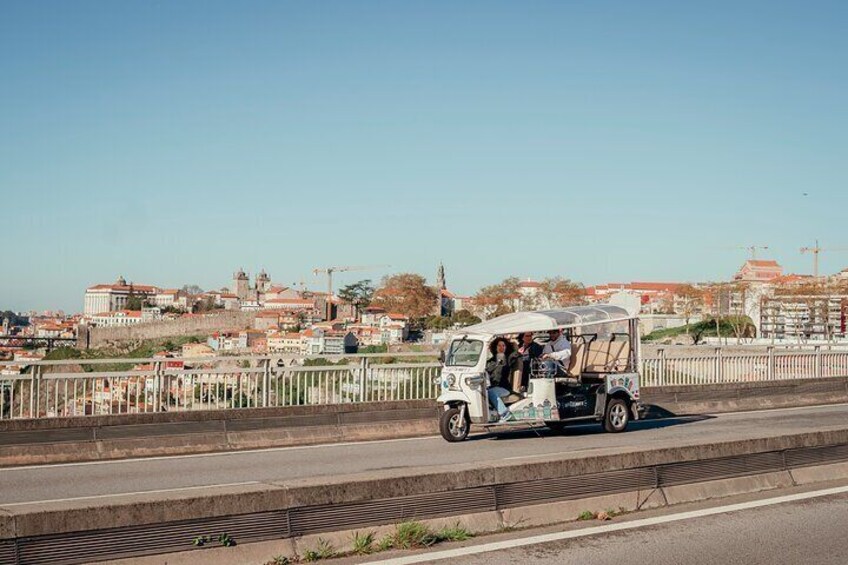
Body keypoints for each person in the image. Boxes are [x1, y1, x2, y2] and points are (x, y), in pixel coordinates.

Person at [486, 337, 516, 422]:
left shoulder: (509, 358)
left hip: (504, 387)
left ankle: (505, 414)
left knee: (491, 392)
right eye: (499, 345)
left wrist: (514, 347)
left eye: (504, 345)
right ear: (495, 347)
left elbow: (516, 355)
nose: (501, 347)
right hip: (490, 386)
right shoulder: (490, 362)